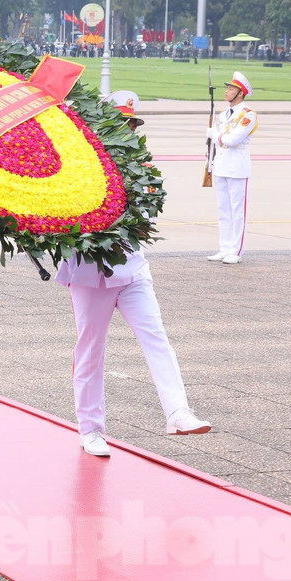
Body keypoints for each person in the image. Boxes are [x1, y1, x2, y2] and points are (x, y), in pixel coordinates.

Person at [61, 91, 212, 458]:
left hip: (132, 269)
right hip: (90, 275)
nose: (128, 131)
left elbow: (149, 219)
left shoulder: (142, 169)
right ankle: (91, 428)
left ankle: (177, 411)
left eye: (131, 124)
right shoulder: (79, 166)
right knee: (90, 352)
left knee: (156, 337)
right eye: (121, 124)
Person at [206, 71, 257, 264]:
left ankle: (236, 250)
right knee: (223, 209)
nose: (226, 91)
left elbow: (234, 140)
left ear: (240, 94)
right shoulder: (222, 114)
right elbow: (219, 142)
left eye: (231, 89)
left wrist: (215, 136)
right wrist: (209, 161)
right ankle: (224, 247)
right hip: (221, 164)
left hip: (237, 165)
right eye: (227, 88)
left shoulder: (248, 115)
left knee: (237, 210)